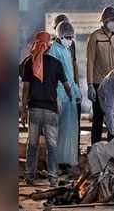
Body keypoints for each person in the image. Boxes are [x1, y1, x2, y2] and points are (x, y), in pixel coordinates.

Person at [21, 32, 72, 186]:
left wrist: (23, 108)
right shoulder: (56, 63)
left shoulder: (30, 62)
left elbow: (26, 88)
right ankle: (53, 178)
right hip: (50, 110)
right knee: (52, 145)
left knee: (33, 145)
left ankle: (29, 176)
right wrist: (70, 97)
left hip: (34, 109)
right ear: (49, 47)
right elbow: (67, 85)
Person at [87, 6, 114, 144]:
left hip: (113, 85)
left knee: (112, 117)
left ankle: (111, 150)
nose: (113, 23)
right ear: (104, 21)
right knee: (98, 118)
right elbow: (90, 61)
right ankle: (95, 149)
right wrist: (90, 85)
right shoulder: (95, 37)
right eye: (111, 20)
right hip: (98, 83)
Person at [49, 21, 81, 168]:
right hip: (60, 95)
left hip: (69, 96)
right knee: (60, 131)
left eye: (71, 37)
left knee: (70, 131)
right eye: (67, 37)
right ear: (60, 35)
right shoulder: (54, 50)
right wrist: (55, 96)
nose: (70, 40)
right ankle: (58, 163)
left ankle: (67, 161)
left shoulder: (66, 51)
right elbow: (53, 76)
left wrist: (76, 91)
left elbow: (70, 75)